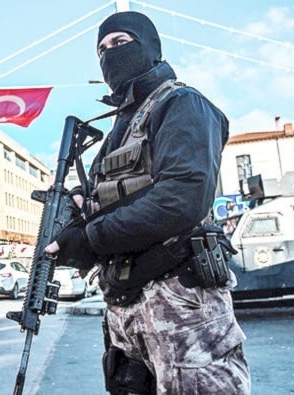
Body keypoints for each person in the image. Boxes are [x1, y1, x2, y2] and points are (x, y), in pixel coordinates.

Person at [44, 11, 251, 394]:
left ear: (150, 47)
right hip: (126, 308)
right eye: (101, 49)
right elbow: (109, 203)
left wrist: (91, 238)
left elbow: (181, 200)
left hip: (182, 305)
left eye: (120, 43)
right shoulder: (119, 128)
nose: (110, 54)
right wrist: (78, 218)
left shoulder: (182, 103)